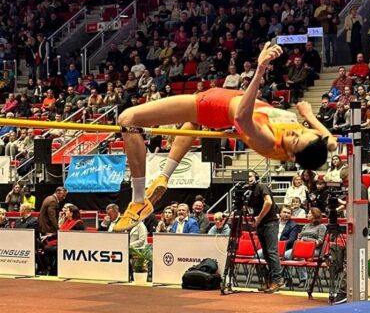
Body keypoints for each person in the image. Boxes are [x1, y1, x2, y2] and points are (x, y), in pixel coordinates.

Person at [115, 42, 337, 231]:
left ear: (291, 154)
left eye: (296, 139)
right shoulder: (309, 144)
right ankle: (164, 177)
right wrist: (309, 116)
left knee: (128, 119)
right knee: (191, 124)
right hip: (226, 100)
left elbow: (242, 117)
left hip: (213, 106)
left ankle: (137, 201)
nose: (295, 131)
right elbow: (332, 143)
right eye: (303, 132)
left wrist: (260, 70)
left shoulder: (268, 141)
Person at [246, 169, 284, 292]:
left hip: (270, 222)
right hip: (261, 224)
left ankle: (278, 280)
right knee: (266, 254)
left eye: (250, 176)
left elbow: (268, 203)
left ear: (256, 177)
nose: (248, 178)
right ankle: (270, 280)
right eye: (246, 177)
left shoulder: (262, 186)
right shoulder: (248, 192)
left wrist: (258, 219)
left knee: (272, 252)